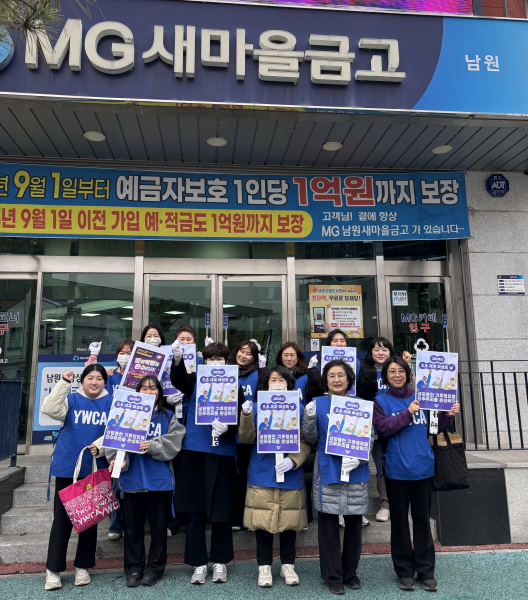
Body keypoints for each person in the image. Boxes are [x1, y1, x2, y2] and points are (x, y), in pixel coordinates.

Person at [373, 357, 460, 592]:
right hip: (396, 471)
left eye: (401, 371)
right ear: (385, 376)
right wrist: (407, 413)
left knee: (422, 521)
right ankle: (404, 572)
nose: (397, 375)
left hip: (423, 468)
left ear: (409, 374)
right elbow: (383, 429)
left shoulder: (422, 396)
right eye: (392, 371)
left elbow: (434, 427)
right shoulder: (380, 401)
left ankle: (426, 571)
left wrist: (449, 415)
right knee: (400, 523)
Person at [170, 340, 246, 584]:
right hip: (193, 451)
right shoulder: (194, 380)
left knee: (222, 511)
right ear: (204, 361)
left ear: (227, 361)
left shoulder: (235, 384)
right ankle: (198, 563)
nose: (215, 362)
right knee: (194, 511)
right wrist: (178, 359)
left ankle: (220, 561)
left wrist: (228, 428)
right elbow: (178, 380)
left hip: (222, 453)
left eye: (219, 358)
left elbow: (239, 421)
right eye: (210, 359)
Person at [104, 376, 186, 587]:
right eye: (144, 388)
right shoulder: (124, 414)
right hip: (132, 479)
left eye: (153, 388)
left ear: (159, 392)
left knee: (158, 529)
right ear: (137, 392)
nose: (149, 392)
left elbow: (176, 440)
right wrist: (118, 461)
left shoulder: (167, 416)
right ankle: (134, 568)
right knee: (132, 529)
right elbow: (113, 441)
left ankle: (155, 568)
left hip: (159, 480)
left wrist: (154, 445)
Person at [302, 359, 374, 595]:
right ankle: (333, 575)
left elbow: (370, 438)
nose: (336, 379)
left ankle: (350, 573)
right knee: (328, 526)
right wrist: (309, 418)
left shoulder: (361, 404)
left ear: (349, 379)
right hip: (328, 469)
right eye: (331, 375)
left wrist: (360, 459)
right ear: (325, 380)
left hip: (355, 471)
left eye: (341, 375)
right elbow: (310, 438)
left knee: (354, 525)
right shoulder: (318, 403)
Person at [41, 364, 112, 591]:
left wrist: (100, 446)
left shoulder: (111, 403)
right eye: (90, 378)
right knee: (62, 520)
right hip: (68, 467)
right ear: (82, 381)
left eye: (99, 378)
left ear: (104, 381)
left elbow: (115, 431)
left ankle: (83, 567)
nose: (94, 382)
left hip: (94, 468)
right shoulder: (71, 399)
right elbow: (49, 409)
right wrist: (64, 383)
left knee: (89, 519)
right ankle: (53, 570)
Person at [238, 366, 310, 587]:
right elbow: (246, 439)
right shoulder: (256, 407)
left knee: (289, 522)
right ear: (266, 385)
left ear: (289, 385)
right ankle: (264, 566)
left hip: (290, 474)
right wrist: (246, 415)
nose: (277, 384)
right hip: (262, 471)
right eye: (273, 380)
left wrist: (293, 460)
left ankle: (288, 565)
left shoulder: (300, 408)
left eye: (282, 380)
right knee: (262, 522)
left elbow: (306, 442)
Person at [355, 337, 413, 524]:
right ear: (370, 352)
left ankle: (395, 503)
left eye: (384, 349)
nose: (380, 353)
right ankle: (382, 504)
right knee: (376, 466)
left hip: (397, 424)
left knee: (392, 464)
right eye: (376, 349)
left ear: (390, 351)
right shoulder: (363, 370)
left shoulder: (399, 370)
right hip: (369, 427)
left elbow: (411, 391)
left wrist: (408, 367)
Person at [230, 340, 269, 531]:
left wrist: (263, 371)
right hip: (227, 431)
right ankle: (234, 517)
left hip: (249, 433)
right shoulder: (226, 372)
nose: (243, 356)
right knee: (232, 477)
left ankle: (246, 518)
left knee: (246, 475)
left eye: (249, 353)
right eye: (241, 351)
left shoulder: (258, 375)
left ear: (255, 358)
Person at [275, 341, 324, 406]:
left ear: (297, 358)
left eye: (292, 355)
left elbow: (315, 395)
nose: (289, 359)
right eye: (286, 355)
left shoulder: (306, 377)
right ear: (281, 358)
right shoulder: (274, 376)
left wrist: (312, 372)